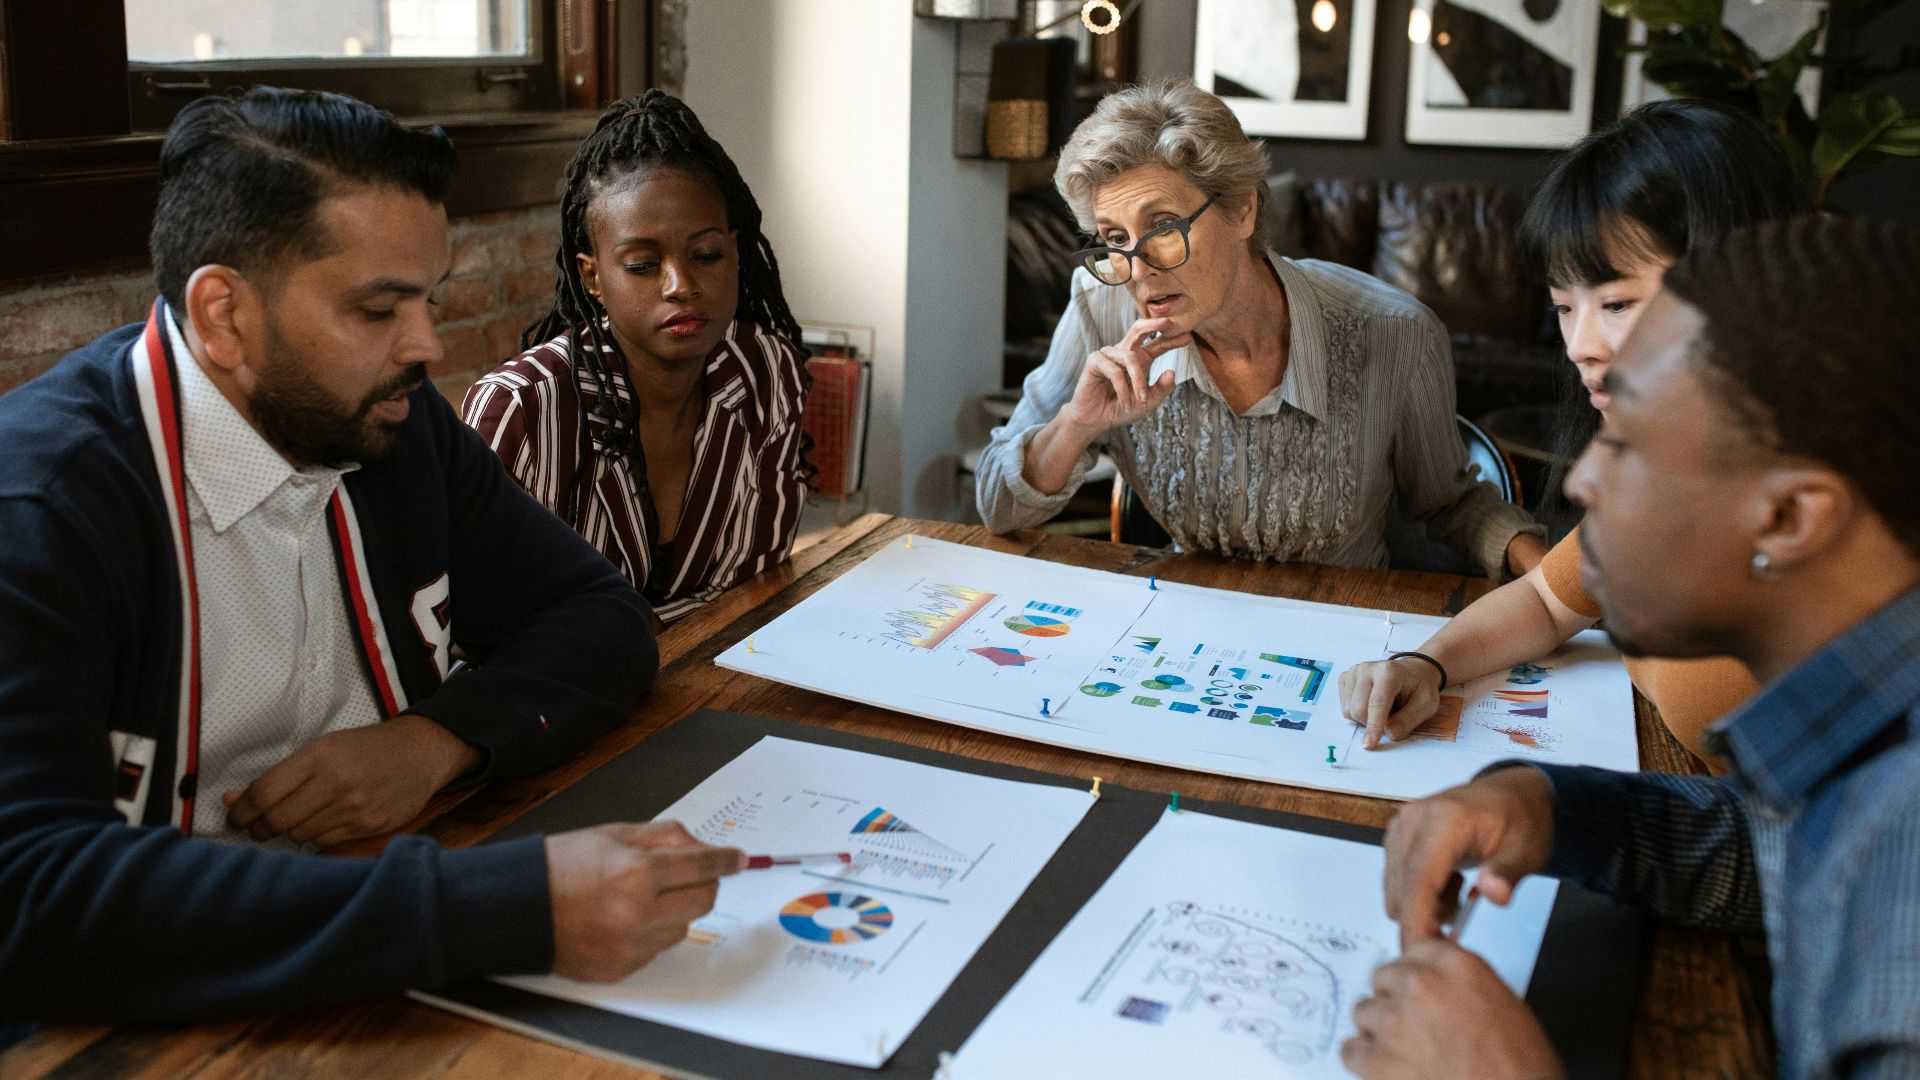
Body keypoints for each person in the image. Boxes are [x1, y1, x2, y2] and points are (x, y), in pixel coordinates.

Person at [0, 88, 741, 1042]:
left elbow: (598, 615)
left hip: (375, 952)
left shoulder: (394, 419)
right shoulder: (41, 507)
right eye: (379, 308)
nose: (426, 345)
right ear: (223, 315)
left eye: (428, 299)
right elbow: (33, 895)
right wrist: (502, 905)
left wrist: (433, 743)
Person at [1344, 216, 1920, 1079]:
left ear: (1789, 517)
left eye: (1628, 442)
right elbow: (1781, 850)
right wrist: (1553, 807)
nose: (1581, 480)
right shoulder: (1864, 762)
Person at [1337, 100, 1809, 770]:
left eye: (1616, 304)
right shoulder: (1663, 465)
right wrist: (1427, 664)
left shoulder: (1826, 511)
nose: (1580, 345)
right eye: (1564, 306)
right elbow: (1545, 600)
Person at [975, 79, 1545, 579]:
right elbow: (998, 506)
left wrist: (1554, 581)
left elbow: (1449, 504)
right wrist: (1075, 424)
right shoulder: (1100, 309)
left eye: (1164, 228)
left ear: (1243, 210)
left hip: (1344, 624)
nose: (1139, 270)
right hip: (1183, 627)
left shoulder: (1394, 332)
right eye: (1115, 239)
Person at [462, 90, 809, 624]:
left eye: (707, 255)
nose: (680, 285)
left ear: (736, 252)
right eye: (643, 265)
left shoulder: (768, 371)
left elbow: (758, 585)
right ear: (593, 277)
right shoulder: (523, 410)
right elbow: (482, 626)